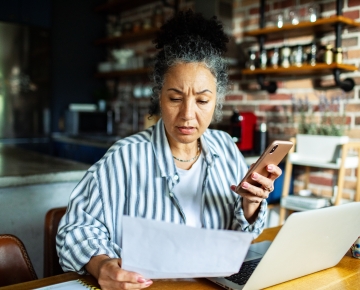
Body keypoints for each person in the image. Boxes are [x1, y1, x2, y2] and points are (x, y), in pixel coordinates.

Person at [56, 10, 282, 290]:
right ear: (159, 96)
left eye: (202, 100)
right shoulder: (125, 157)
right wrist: (102, 265)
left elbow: (242, 235)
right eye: (175, 98)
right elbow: (74, 229)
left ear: (217, 102)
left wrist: (250, 205)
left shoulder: (225, 147)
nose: (187, 114)